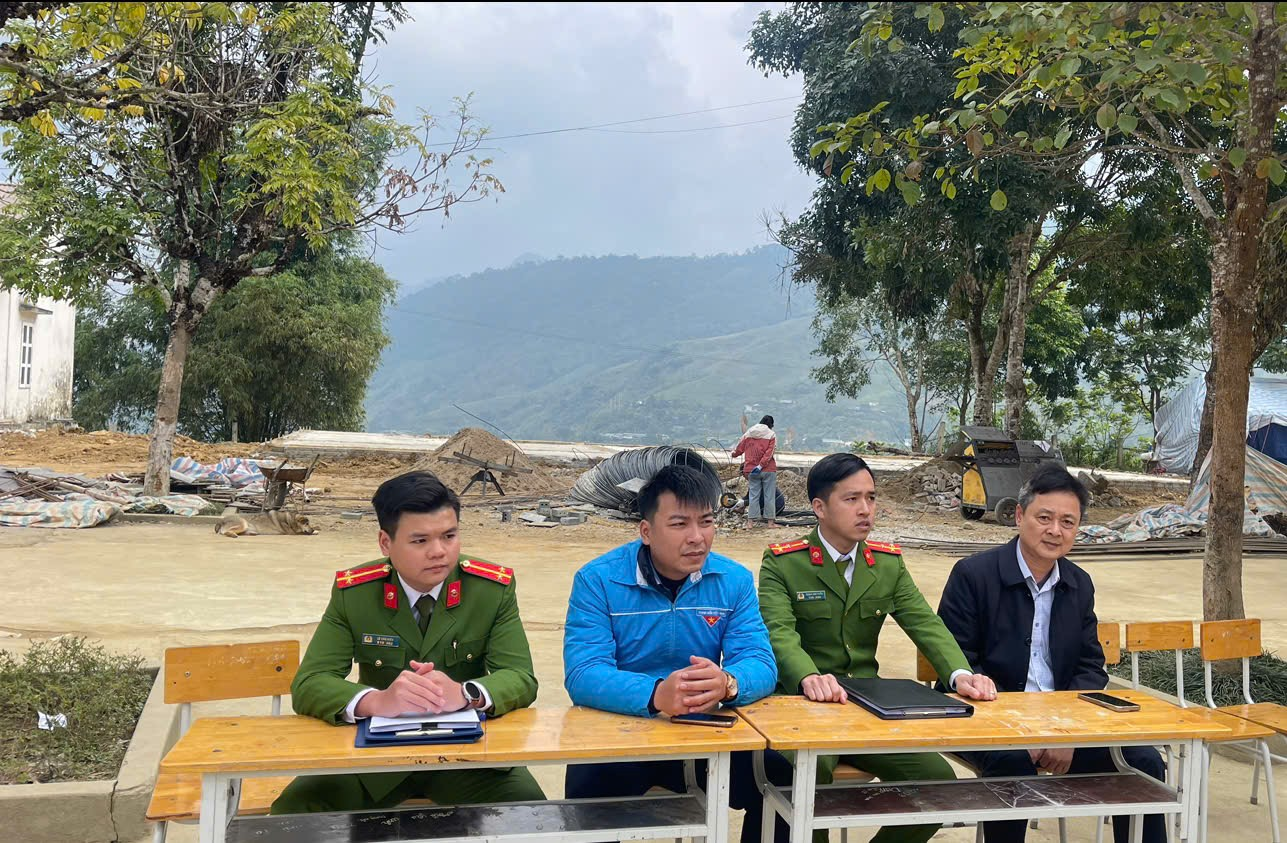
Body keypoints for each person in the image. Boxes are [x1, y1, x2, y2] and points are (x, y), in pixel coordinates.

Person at [757, 452, 997, 843]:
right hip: (802, 706)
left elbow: (924, 623)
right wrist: (808, 677)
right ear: (819, 507)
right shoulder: (784, 563)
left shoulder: (886, 564)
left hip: (867, 707)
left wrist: (960, 674)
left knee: (937, 785)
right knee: (805, 777)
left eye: (870, 497)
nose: (865, 509)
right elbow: (778, 633)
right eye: (851, 499)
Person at [271, 471, 544, 814]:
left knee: (533, 814)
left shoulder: (490, 589)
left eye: (449, 536)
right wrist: (377, 701)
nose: (439, 552)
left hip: (468, 757)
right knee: (296, 810)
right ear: (386, 543)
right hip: (373, 757)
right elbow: (310, 684)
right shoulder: (356, 593)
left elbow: (520, 676)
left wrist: (465, 693)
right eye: (420, 541)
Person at [937, 462, 1166, 843]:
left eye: (1067, 522)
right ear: (1019, 516)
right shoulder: (973, 575)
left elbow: (1090, 666)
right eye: (1044, 518)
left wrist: (1067, 733)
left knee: (1143, 761)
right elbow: (958, 660)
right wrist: (1017, 732)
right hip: (989, 724)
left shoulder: (1078, 583)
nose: (1055, 530)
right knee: (1012, 764)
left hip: (1063, 725)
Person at [563, 464, 792, 843]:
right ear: (646, 531)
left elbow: (760, 660)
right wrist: (656, 694)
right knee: (588, 796)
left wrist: (728, 683)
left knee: (781, 780)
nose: (697, 537)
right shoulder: (598, 580)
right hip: (620, 735)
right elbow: (584, 673)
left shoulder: (732, 580)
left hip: (702, 733)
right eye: (680, 524)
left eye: (707, 521)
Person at [732, 414, 778, 528]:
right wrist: (761, 466)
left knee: (753, 496)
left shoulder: (749, 433)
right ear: (771, 425)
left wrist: (734, 454)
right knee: (769, 496)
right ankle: (770, 523)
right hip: (768, 470)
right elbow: (769, 453)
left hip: (751, 470)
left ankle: (750, 523)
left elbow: (739, 448)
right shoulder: (771, 434)